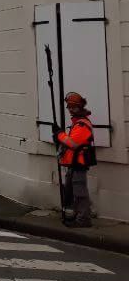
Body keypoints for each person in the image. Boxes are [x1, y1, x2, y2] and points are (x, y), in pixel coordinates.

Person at [55, 91, 97, 228]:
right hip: (74, 163)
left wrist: (59, 135)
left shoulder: (82, 125)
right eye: (69, 106)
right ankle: (78, 215)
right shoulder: (78, 123)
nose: (70, 109)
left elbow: (73, 144)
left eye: (73, 106)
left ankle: (84, 219)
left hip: (78, 163)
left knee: (80, 192)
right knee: (72, 191)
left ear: (80, 107)